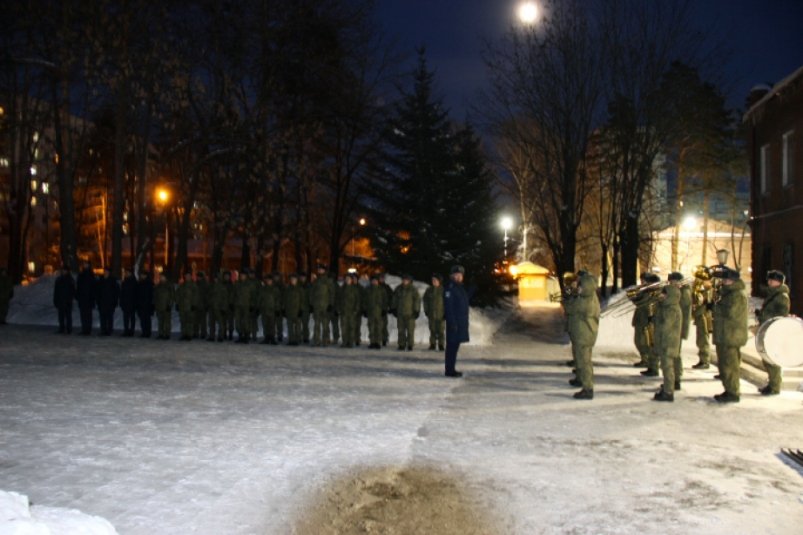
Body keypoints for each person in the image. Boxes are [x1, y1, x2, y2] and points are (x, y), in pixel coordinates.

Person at [712, 268, 748, 403]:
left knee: (730, 366)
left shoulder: (737, 294)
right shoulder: (729, 293)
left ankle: (733, 392)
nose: (723, 282)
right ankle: (729, 390)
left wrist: (716, 307)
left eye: (726, 280)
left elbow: (731, 313)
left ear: (733, 281)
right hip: (726, 334)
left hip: (731, 336)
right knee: (725, 365)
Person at [564, 270, 600, 399]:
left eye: (580, 285)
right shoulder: (588, 296)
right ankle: (581, 380)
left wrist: (569, 294)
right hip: (582, 333)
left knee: (585, 362)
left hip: (584, 335)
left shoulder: (585, 300)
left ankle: (588, 388)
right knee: (581, 360)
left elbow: (569, 308)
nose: (578, 287)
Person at [756, 270, 791, 396]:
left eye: (772, 280)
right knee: (767, 359)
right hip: (768, 329)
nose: (769, 282)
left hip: (774, 331)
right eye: (769, 280)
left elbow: (781, 315)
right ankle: (771, 384)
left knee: (773, 359)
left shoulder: (781, 296)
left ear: (779, 282)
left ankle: (775, 386)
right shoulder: (773, 294)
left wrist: (767, 317)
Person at [652, 273, 683, 402]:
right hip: (667, 341)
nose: (661, 296)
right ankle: (667, 388)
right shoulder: (668, 307)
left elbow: (666, 327)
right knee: (666, 366)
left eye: (664, 294)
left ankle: (668, 392)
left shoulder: (671, 309)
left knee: (667, 366)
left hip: (668, 342)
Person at [444, 265, 470, 377]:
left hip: (460, 323)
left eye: (460, 275)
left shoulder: (460, 287)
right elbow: (448, 308)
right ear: (452, 276)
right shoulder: (450, 288)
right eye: (456, 275)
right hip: (454, 324)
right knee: (451, 348)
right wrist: (452, 323)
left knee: (455, 347)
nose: (459, 277)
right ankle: (449, 370)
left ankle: (451, 369)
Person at [691, 266, 714, 369]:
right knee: (700, 339)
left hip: (704, 315)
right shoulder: (701, 287)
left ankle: (705, 361)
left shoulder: (708, 287)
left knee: (703, 339)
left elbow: (704, 301)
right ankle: (702, 359)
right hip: (700, 315)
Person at [393, 274, 421, 350]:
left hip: (410, 314)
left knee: (410, 330)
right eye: (404, 279)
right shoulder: (398, 289)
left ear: (410, 281)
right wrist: (394, 308)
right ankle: (401, 344)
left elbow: (417, 300)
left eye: (406, 280)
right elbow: (394, 299)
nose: (405, 281)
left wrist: (416, 310)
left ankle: (410, 344)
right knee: (401, 330)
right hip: (400, 313)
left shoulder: (413, 289)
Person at [311, 266, 335, 346]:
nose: (320, 271)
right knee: (316, 325)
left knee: (325, 325)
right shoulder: (316, 281)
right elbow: (312, 293)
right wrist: (311, 304)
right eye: (319, 269)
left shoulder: (327, 281)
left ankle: (325, 340)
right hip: (317, 306)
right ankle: (316, 340)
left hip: (325, 306)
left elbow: (332, 293)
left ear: (324, 271)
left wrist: (331, 304)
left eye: (321, 269)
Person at [339, 273, 361, 348]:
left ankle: (351, 342)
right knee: (344, 327)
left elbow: (357, 300)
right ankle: (345, 341)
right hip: (344, 311)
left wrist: (356, 310)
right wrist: (339, 309)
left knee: (351, 327)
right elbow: (338, 300)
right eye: (346, 279)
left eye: (349, 279)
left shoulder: (354, 289)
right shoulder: (342, 289)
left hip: (352, 311)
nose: (347, 280)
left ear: (351, 280)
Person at [423, 274, 445, 351]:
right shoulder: (429, 290)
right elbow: (425, 301)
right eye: (432, 280)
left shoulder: (443, 290)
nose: (433, 281)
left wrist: (446, 313)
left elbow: (447, 302)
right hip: (431, 314)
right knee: (432, 329)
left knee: (441, 331)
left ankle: (441, 345)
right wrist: (426, 310)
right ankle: (432, 344)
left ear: (439, 281)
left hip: (441, 314)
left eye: (435, 280)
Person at [365, 275, 387, 349]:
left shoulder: (382, 290)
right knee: (371, 327)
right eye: (373, 280)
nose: (374, 282)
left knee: (378, 328)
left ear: (378, 281)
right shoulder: (368, 289)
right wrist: (364, 309)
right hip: (370, 312)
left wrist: (384, 309)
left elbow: (385, 300)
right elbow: (364, 300)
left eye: (375, 280)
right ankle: (372, 342)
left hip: (379, 312)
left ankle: (377, 342)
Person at [97, 267, 120, 336]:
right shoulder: (101, 280)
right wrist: (98, 300)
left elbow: (116, 292)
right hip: (102, 302)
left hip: (110, 302)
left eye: (107, 271)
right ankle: (103, 330)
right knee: (102, 317)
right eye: (105, 271)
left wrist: (114, 301)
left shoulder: (113, 280)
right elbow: (97, 291)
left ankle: (109, 330)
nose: (105, 272)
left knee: (109, 317)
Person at [53, 266, 76, 334]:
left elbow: (73, 291)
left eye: (65, 271)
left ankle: (69, 329)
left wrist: (70, 299)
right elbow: (56, 291)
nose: (63, 272)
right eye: (63, 270)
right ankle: (61, 328)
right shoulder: (59, 280)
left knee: (68, 316)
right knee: (61, 316)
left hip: (67, 301)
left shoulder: (70, 280)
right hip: (60, 300)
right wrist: (55, 300)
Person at [175, 271, 197, 341]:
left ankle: (189, 335)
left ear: (191, 276)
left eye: (188, 276)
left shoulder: (194, 285)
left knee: (189, 321)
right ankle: (183, 334)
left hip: (190, 306)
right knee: (183, 321)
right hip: (182, 306)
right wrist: (177, 303)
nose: (187, 277)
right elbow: (177, 295)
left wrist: (194, 304)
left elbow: (196, 296)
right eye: (186, 276)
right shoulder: (182, 285)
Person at [76, 261, 97, 335]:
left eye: (86, 264)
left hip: (89, 299)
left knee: (88, 315)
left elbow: (93, 288)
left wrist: (93, 298)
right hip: (83, 298)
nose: (85, 266)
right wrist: (78, 296)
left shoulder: (91, 275)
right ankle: (84, 328)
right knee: (83, 315)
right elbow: (78, 287)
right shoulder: (81, 275)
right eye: (84, 264)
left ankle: (88, 329)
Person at [259, 275, 280, 344]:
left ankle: (272, 338)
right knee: (265, 324)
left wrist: (277, 308)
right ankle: (266, 337)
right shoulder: (263, 289)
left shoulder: (275, 289)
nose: (268, 281)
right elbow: (260, 299)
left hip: (272, 309)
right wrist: (259, 307)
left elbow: (277, 299)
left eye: (270, 280)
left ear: (272, 281)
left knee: (272, 325)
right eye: (267, 280)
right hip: (264, 309)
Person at [232, 269, 253, 343]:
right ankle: (240, 335)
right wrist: (231, 303)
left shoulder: (250, 284)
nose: (242, 277)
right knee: (238, 322)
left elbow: (253, 296)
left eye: (244, 276)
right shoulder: (237, 284)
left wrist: (253, 305)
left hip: (246, 305)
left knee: (246, 322)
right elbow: (233, 294)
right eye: (241, 275)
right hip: (238, 305)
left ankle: (246, 336)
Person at [283, 274, 303, 345]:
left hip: (297, 310)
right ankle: (291, 340)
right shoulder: (287, 289)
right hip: (289, 310)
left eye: (294, 280)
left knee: (298, 327)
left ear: (297, 281)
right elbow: (284, 300)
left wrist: (301, 309)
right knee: (290, 327)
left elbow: (302, 300)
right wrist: (284, 310)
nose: (293, 281)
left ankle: (297, 340)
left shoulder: (299, 289)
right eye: (291, 280)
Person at [153, 273, 174, 339]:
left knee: (167, 321)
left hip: (166, 305)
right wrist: (154, 304)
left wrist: (169, 304)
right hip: (159, 306)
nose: (161, 278)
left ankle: (167, 334)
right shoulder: (158, 285)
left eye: (162, 276)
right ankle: (161, 333)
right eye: (160, 276)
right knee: (160, 321)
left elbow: (172, 296)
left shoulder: (169, 285)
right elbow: (155, 295)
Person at [136, 270, 154, 338]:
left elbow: (151, 295)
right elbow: (137, 294)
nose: (141, 276)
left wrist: (151, 304)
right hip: (141, 304)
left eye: (143, 275)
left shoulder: (149, 284)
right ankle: (144, 332)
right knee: (143, 320)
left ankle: (147, 332)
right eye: (141, 275)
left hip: (147, 305)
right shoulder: (140, 283)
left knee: (147, 319)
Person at [120, 268, 138, 336]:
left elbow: (136, 294)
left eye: (127, 273)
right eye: (125, 273)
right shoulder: (124, 282)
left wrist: (135, 303)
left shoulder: (134, 282)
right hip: (126, 303)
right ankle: (126, 330)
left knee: (132, 318)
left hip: (132, 303)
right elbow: (122, 293)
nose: (125, 274)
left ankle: (131, 331)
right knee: (126, 318)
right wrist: (122, 302)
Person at [379, 273, 393, 346]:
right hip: (377, 309)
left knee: (384, 325)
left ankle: (384, 339)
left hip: (384, 309)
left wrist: (390, 307)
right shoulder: (376, 286)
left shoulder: (387, 287)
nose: (381, 279)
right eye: (380, 278)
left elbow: (391, 297)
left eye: (382, 278)